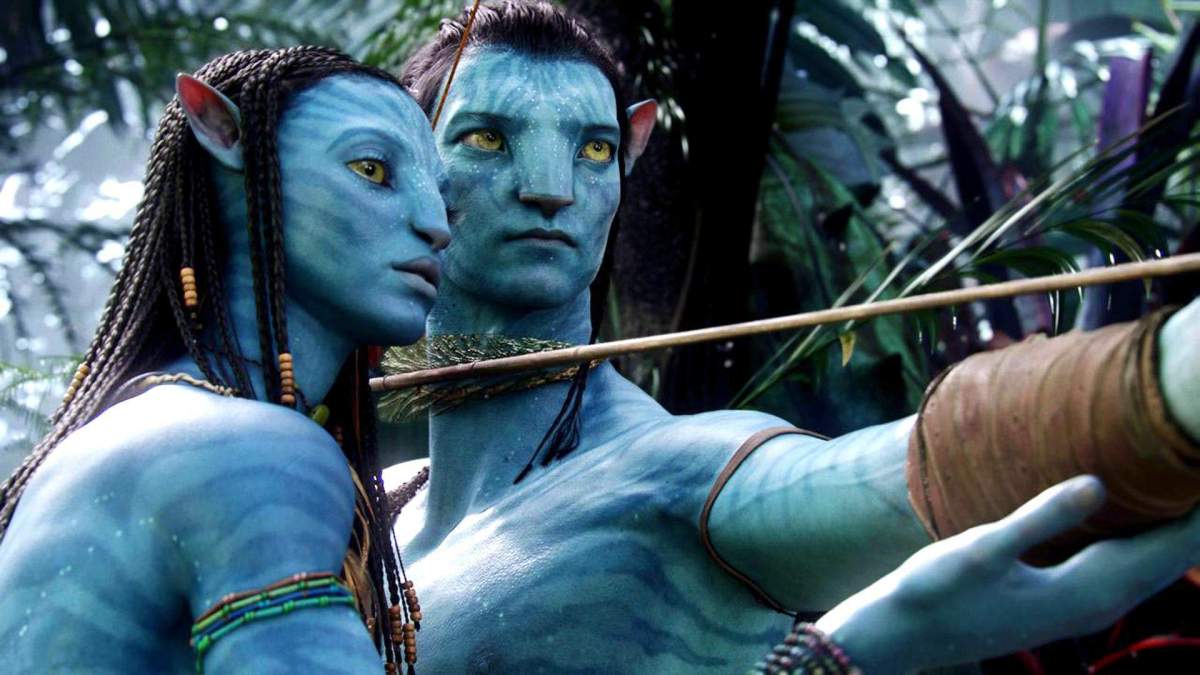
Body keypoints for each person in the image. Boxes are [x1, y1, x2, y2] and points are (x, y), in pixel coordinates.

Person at [382, 2, 1200, 673]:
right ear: (403, 152)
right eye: (487, 138)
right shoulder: (376, 501)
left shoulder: (683, 476)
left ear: (631, 151)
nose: (551, 189)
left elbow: (906, 464)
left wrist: (1155, 384)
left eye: (593, 148)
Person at [0, 47, 450, 674]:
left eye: (445, 198)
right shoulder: (248, 450)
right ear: (221, 132)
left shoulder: (130, 431)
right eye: (371, 169)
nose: (436, 225)